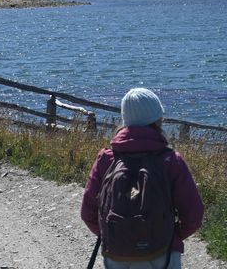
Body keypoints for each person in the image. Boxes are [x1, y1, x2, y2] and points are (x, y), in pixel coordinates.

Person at [81, 88, 204, 268]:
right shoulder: (170, 160)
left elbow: (87, 212)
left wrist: (115, 235)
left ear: (125, 119)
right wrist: (170, 234)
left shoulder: (106, 159)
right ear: (158, 119)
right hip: (163, 251)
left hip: (117, 253)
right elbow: (194, 214)